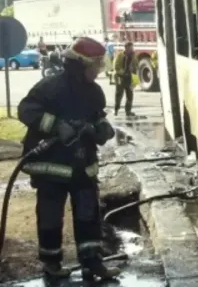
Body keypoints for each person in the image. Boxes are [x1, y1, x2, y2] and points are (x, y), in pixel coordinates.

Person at [17, 37, 120, 283]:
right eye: (94, 66)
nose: (97, 71)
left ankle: (92, 263)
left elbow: (97, 116)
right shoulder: (50, 87)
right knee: (51, 216)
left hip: (82, 166)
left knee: (88, 214)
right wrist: (55, 126)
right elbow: (26, 110)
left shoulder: (94, 91)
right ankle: (52, 264)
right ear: (79, 65)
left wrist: (102, 128)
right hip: (51, 166)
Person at [113, 42, 136, 116]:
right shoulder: (120, 55)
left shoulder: (133, 56)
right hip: (120, 77)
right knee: (119, 94)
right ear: (126, 48)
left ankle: (128, 111)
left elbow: (136, 65)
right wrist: (123, 73)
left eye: (132, 48)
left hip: (129, 78)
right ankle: (116, 109)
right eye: (130, 48)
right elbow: (116, 66)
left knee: (130, 95)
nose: (131, 49)